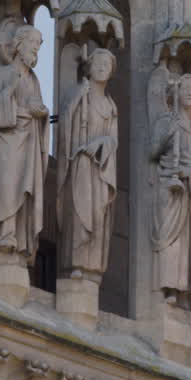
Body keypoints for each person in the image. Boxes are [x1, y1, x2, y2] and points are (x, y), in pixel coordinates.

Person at [0, 23, 49, 259]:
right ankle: (2, 234)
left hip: (28, 140)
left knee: (24, 189)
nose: (35, 51)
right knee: (7, 186)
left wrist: (40, 112)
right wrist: (10, 94)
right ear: (19, 44)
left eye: (38, 48)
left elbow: (37, 106)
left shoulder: (34, 80)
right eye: (33, 45)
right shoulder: (2, 73)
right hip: (6, 140)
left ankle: (17, 235)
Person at [151, 73, 191, 305]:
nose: (190, 92)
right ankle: (171, 289)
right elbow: (155, 152)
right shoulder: (166, 123)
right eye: (186, 87)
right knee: (172, 239)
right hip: (171, 190)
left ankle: (186, 291)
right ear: (176, 92)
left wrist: (189, 169)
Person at [57, 48, 119, 280]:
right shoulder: (80, 95)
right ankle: (77, 263)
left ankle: (93, 266)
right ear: (89, 67)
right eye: (98, 63)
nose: (102, 67)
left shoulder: (111, 106)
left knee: (98, 213)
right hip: (81, 164)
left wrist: (102, 144)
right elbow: (65, 127)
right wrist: (77, 100)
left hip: (100, 168)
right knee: (80, 213)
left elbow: (113, 140)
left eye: (107, 64)